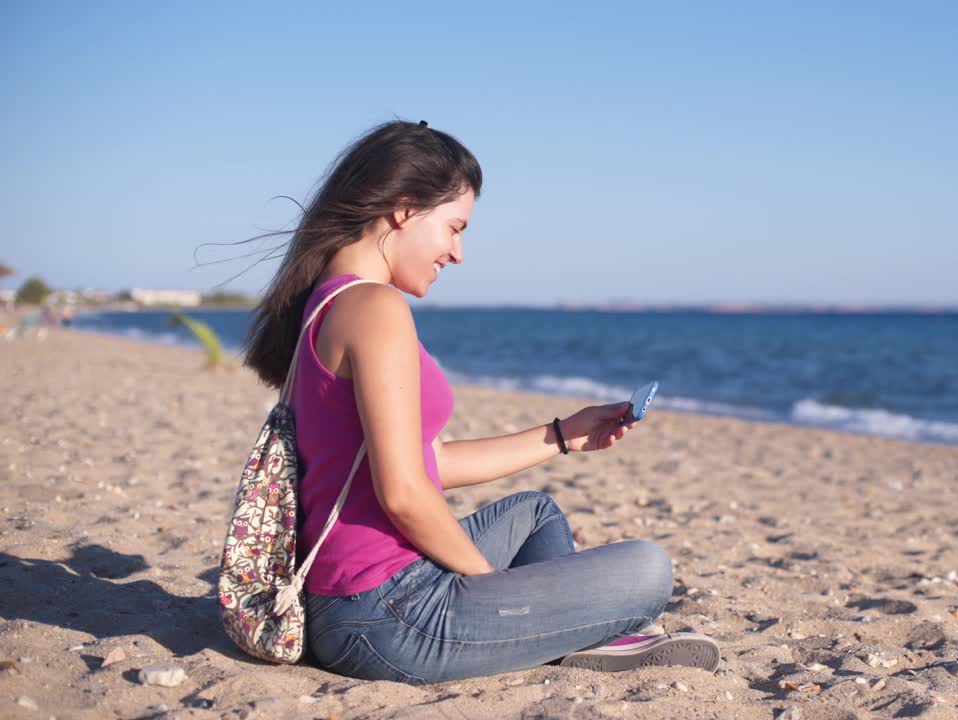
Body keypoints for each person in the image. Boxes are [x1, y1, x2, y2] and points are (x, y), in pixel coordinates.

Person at [242, 120, 719, 683]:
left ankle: (563, 637)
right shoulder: (373, 308)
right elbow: (403, 494)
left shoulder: (326, 303)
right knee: (648, 570)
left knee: (535, 513)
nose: (458, 252)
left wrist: (564, 435)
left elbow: (429, 461)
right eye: (453, 227)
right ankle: (565, 634)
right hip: (385, 615)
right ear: (403, 210)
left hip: (360, 600)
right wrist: (489, 584)